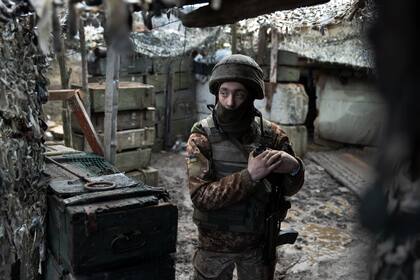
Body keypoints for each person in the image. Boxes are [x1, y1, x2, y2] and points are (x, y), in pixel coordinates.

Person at [186, 54, 305, 280]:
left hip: (257, 247)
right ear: (217, 93)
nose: (230, 102)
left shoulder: (272, 135)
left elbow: (289, 188)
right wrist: (250, 176)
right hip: (214, 248)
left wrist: (295, 168)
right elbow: (200, 196)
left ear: (251, 95)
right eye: (224, 93)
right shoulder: (202, 135)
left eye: (239, 93)